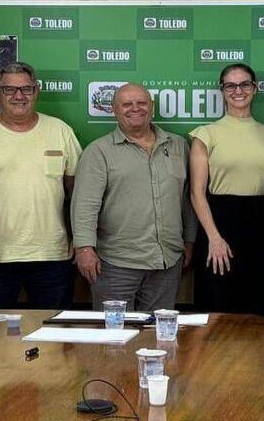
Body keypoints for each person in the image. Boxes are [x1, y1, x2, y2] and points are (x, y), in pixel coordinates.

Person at [0, 62, 81, 309]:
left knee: (54, 336)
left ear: (36, 91)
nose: (19, 96)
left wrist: (80, 239)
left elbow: (77, 192)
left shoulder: (60, 131)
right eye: (9, 90)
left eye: (26, 89)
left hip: (52, 255)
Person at [71, 83, 196, 311]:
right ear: (115, 110)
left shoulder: (178, 146)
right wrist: (84, 249)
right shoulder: (98, 152)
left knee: (157, 336)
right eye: (127, 104)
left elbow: (188, 199)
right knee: (115, 338)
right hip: (115, 265)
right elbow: (84, 206)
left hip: (167, 261)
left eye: (142, 103)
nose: (135, 109)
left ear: (152, 107)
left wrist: (189, 240)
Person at [188, 63, 264, 317]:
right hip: (218, 227)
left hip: (259, 230)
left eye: (244, 84)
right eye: (231, 85)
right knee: (216, 310)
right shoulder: (205, 135)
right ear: (222, 90)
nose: (238, 90)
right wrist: (214, 238)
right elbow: (197, 193)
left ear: (255, 88)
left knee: (254, 313)